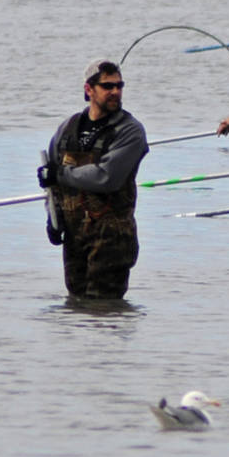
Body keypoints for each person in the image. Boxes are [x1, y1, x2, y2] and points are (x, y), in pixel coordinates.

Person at [39, 59, 150, 299]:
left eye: (119, 86)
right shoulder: (67, 128)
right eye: (107, 86)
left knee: (104, 310)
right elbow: (53, 183)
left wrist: (60, 174)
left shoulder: (130, 131)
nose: (115, 92)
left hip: (112, 239)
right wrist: (52, 218)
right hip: (74, 235)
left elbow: (106, 177)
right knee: (75, 308)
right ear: (89, 90)